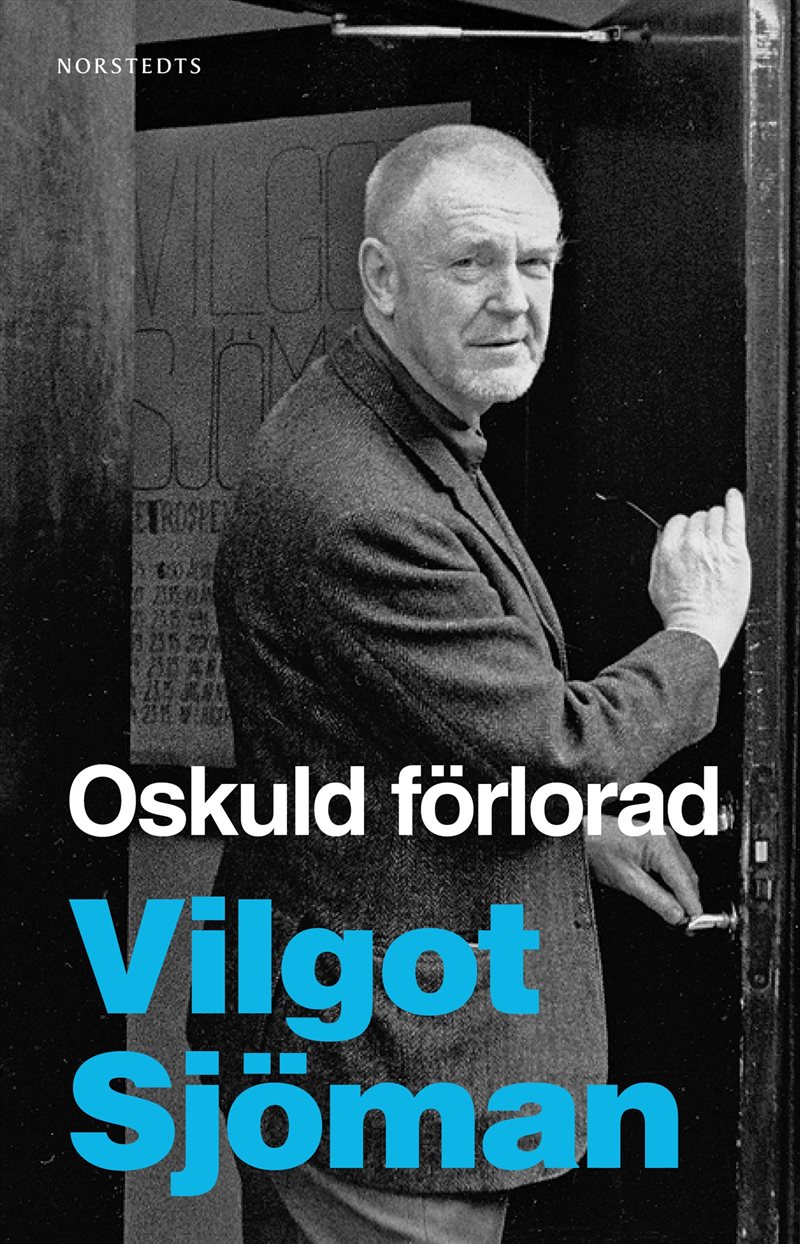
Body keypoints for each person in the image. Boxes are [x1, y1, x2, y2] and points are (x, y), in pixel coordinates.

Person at [194, 124, 751, 1242]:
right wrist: (697, 631)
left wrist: (576, 831)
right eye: (471, 262)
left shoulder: (399, 423)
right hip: (380, 1089)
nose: (513, 299)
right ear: (380, 278)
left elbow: (414, 736)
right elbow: (552, 745)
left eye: (535, 263)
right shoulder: (360, 497)